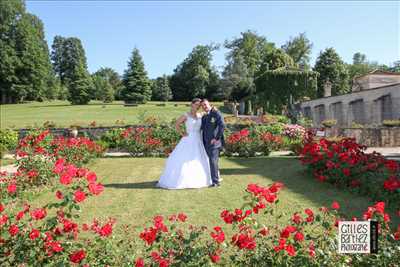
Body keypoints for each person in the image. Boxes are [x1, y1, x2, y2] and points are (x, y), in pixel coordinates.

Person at [157, 98, 212, 189]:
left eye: (199, 105)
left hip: (198, 140)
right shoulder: (186, 115)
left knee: (199, 159)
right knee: (184, 159)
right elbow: (177, 124)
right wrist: (182, 133)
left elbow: (210, 112)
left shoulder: (201, 115)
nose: (197, 107)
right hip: (188, 139)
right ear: (192, 104)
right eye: (196, 105)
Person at [200, 99, 225, 187]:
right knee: (210, 161)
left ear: (209, 104)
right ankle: (212, 178)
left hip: (214, 143)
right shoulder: (204, 116)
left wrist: (216, 138)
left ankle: (215, 182)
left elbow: (222, 125)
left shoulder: (216, 112)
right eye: (202, 105)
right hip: (205, 142)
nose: (204, 106)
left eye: (205, 104)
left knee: (213, 161)